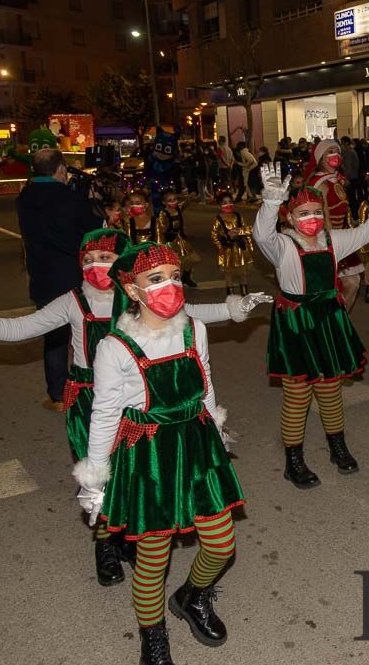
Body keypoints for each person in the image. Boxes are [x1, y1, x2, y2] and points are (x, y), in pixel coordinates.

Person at [0, 229, 267, 588]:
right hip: (90, 401)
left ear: (122, 268)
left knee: (139, 477)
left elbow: (190, 314)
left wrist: (234, 307)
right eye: (88, 259)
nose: (96, 265)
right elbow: (26, 327)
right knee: (103, 477)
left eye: (106, 258)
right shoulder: (74, 302)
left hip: (146, 404)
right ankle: (105, 545)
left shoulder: (143, 300)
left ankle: (136, 535)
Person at [71, 242, 244, 665]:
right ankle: (153, 635)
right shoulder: (115, 347)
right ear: (132, 290)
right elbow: (105, 413)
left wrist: (215, 427)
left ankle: (191, 595)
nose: (170, 285)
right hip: (148, 456)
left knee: (221, 544)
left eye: (174, 275)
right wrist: (95, 477)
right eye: (156, 279)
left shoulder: (194, 328)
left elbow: (204, 385)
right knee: (153, 558)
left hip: (198, 444)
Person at [255, 162, 369, 488]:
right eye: (302, 213)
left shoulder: (334, 240)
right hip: (296, 324)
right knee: (298, 395)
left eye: (316, 212)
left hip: (329, 320)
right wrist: (271, 202)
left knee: (331, 390)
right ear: (289, 218)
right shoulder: (282, 246)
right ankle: (294, 461)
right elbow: (260, 233)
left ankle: (337, 446)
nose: (311, 219)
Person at [16, 148, 101, 412]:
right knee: (87, 332)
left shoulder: (23, 198)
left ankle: (58, 394)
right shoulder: (71, 198)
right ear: (60, 170)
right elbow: (94, 231)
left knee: (54, 337)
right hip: (73, 276)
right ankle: (92, 386)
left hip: (42, 276)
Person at [306, 139, 363, 310]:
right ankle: (333, 323)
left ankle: (339, 321)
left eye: (337, 151)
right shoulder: (320, 183)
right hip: (328, 240)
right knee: (341, 285)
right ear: (320, 157)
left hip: (341, 237)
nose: (335, 155)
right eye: (329, 151)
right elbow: (323, 218)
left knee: (352, 283)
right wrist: (333, 245)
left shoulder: (335, 180)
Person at [211, 190, 256, 297]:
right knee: (228, 273)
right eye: (224, 202)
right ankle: (230, 295)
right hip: (227, 250)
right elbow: (214, 235)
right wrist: (220, 246)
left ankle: (245, 293)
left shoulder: (238, 216)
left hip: (240, 250)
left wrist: (250, 246)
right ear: (220, 205)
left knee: (243, 273)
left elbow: (247, 230)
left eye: (230, 201)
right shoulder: (218, 219)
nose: (228, 204)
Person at [156, 189, 200, 288]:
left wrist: (190, 197)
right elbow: (161, 229)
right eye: (170, 200)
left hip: (180, 239)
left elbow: (185, 203)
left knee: (193, 259)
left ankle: (186, 277)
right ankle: (174, 283)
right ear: (164, 202)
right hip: (170, 241)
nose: (173, 202)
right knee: (175, 263)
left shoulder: (178, 208)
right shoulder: (163, 214)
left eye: (175, 199)